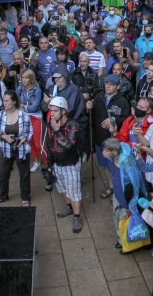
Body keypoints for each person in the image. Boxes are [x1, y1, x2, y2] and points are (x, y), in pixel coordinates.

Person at [47, 96, 84, 233]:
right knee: (62, 188)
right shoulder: (52, 123)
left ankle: (77, 216)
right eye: (51, 111)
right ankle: (69, 208)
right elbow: (50, 143)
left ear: (63, 111)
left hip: (70, 164)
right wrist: (49, 162)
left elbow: (69, 144)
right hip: (57, 164)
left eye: (56, 111)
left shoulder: (72, 125)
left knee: (74, 191)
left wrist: (57, 130)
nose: (52, 114)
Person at [0, 90, 32, 206]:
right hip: (5, 149)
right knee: (3, 174)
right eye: (3, 101)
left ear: (14, 102)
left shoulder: (23, 115)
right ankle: (3, 195)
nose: (4, 103)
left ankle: (25, 198)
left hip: (21, 148)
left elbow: (30, 131)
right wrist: (4, 136)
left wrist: (23, 139)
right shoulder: (0, 115)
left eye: (7, 101)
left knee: (24, 174)